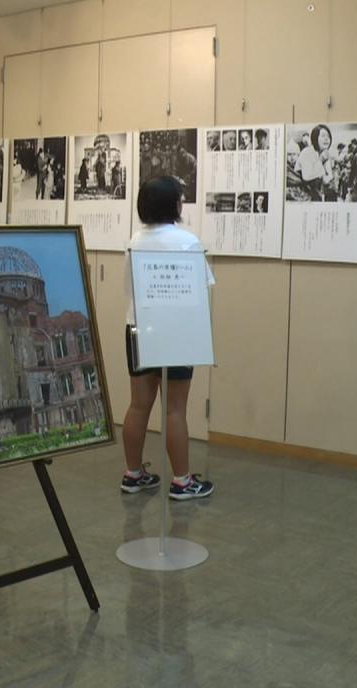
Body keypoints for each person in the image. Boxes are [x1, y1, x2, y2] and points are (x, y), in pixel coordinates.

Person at [120, 176, 215, 501]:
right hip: (177, 331)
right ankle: (182, 481)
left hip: (137, 328)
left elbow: (129, 289)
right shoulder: (186, 241)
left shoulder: (134, 240)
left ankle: (133, 474)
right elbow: (203, 288)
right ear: (174, 204)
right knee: (174, 410)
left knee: (138, 405)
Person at [298, 125, 333, 201]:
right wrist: (321, 160)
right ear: (315, 138)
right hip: (301, 194)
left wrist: (327, 178)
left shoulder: (324, 153)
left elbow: (329, 175)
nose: (326, 139)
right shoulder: (307, 152)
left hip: (316, 192)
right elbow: (306, 176)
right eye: (323, 136)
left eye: (328, 136)